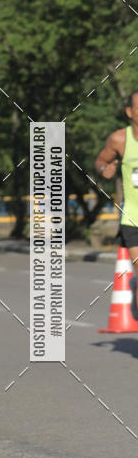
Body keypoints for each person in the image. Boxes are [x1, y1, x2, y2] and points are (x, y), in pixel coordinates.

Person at [95, 90, 138, 317]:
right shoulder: (120, 139)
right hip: (133, 218)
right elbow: (101, 160)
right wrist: (105, 168)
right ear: (130, 112)